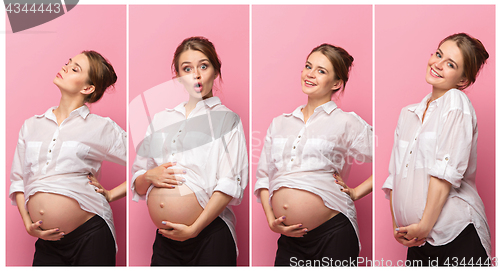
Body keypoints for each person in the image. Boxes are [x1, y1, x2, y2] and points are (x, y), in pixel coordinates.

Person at [131, 36, 248, 266]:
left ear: (216, 71)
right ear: (178, 77)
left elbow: (228, 184)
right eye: (187, 68)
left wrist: (194, 229)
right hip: (166, 240)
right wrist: (148, 176)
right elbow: (138, 182)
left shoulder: (228, 120)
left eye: (203, 66)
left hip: (209, 235)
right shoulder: (161, 119)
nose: (196, 74)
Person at [254, 43, 373, 266]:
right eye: (309, 66)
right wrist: (271, 220)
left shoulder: (345, 122)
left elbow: (393, 156)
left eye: (321, 71)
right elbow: (263, 176)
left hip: (333, 232)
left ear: (336, 83)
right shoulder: (280, 123)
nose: (310, 74)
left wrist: (357, 191)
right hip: (290, 239)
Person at [382, 33, 491, 266]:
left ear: (463, 80)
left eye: (450, 64)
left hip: (454, 235)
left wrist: (424, 225)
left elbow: (445, 172)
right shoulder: (408, 114)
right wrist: (398, 226)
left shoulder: (456, 101)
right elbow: (395, 178)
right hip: (419, 240)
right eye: (439, 54)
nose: (438, 64)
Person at [9, 50, 127, 266]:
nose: (65, 67)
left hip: (91, 235)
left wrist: (110, 194)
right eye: (68, 63)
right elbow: (18, 179)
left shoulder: (100, 127)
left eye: (75, 69)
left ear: (87, 88)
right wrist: (27, 223)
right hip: (48, 242)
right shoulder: (31, 125)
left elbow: (146, 160)